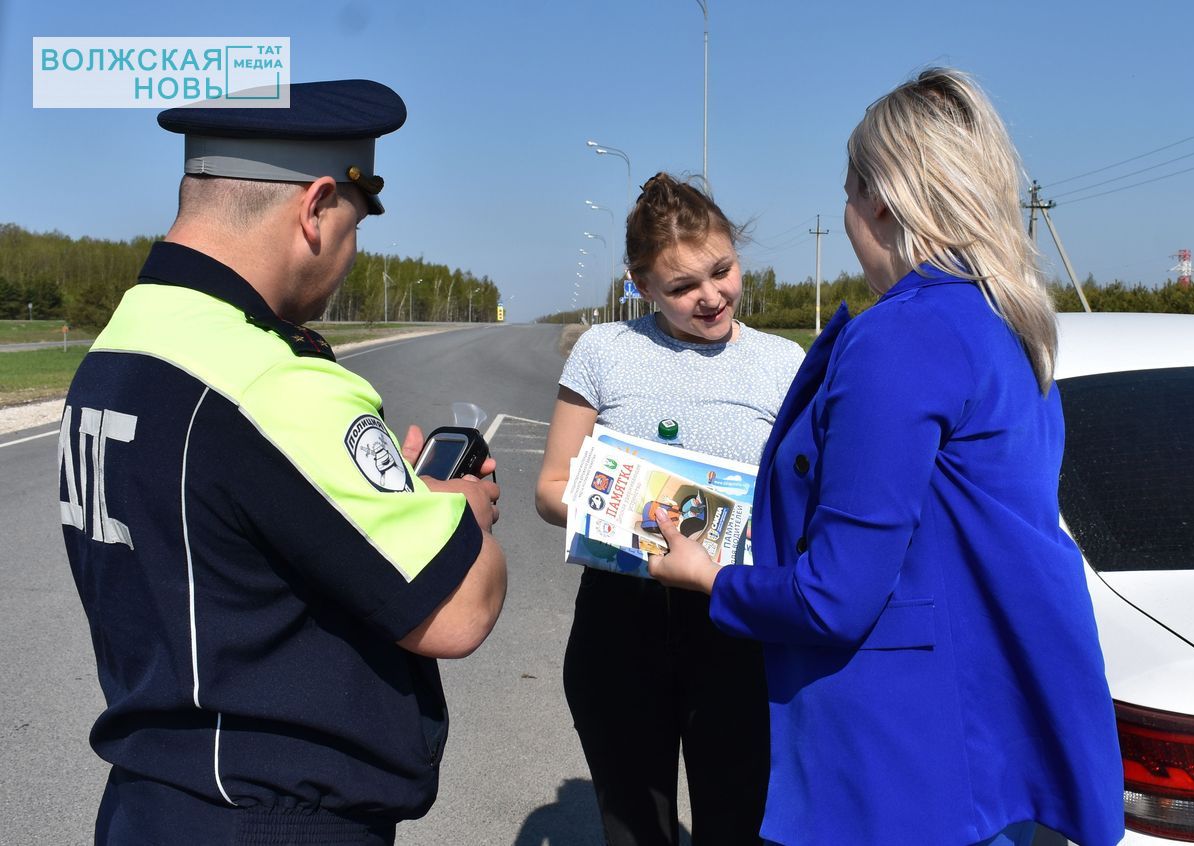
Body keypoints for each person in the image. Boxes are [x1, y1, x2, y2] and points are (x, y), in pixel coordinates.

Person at [646, 68, 1125, 846]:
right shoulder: (1008, 322)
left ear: (883, 200)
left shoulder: (902, 336)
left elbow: (837, 596)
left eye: (847, 191)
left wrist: (712, 579)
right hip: (974, 759)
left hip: (893, 775)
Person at [56, 79, 507, 845]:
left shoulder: (120, 347)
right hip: (270, 817)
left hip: (149, 803)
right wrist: (459, 513)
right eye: (353, 225)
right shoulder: (271, 380)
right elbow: (459, 610)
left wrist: (387, 497)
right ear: (315, 208)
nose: (349, 254)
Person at [535, 173, 804, 846]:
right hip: (621, 627)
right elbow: (551, 487)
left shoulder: (784, 364)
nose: (711, 297)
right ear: (641, 285)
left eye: (722, 271)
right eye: (682, 287)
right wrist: (635, 514)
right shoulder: (604, 352)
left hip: (736, 627)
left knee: (736, 827)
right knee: (635, 831)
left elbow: (803, 503)